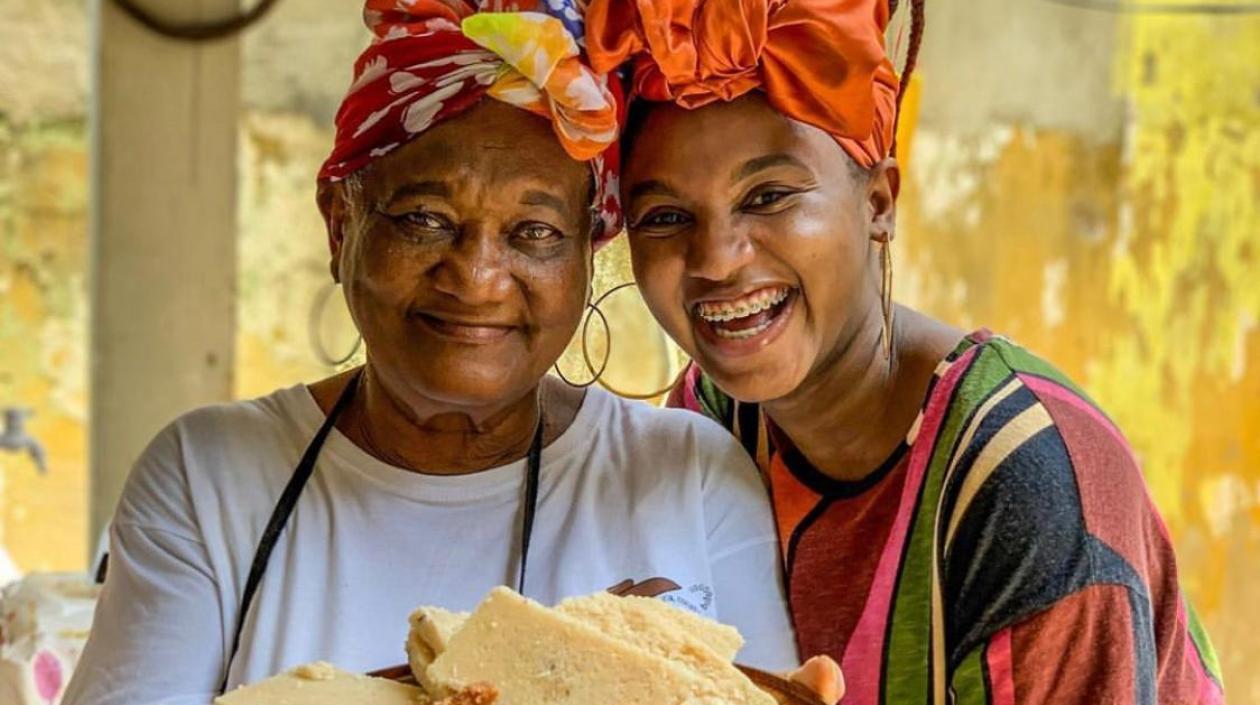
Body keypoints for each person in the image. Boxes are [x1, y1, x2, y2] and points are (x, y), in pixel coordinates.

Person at [63, 3, 798, 704]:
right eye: (424, 218)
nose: (476, 278)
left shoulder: (689, 480)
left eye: (535, 232)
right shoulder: (209, 475)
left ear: (585, 252)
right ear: (339, 224)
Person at [587, 0, 1226, 703]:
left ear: (880, 203)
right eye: (667, 216)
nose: (715, 259)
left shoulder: (1023, 485)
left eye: (768, 196)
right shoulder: (716, 420)